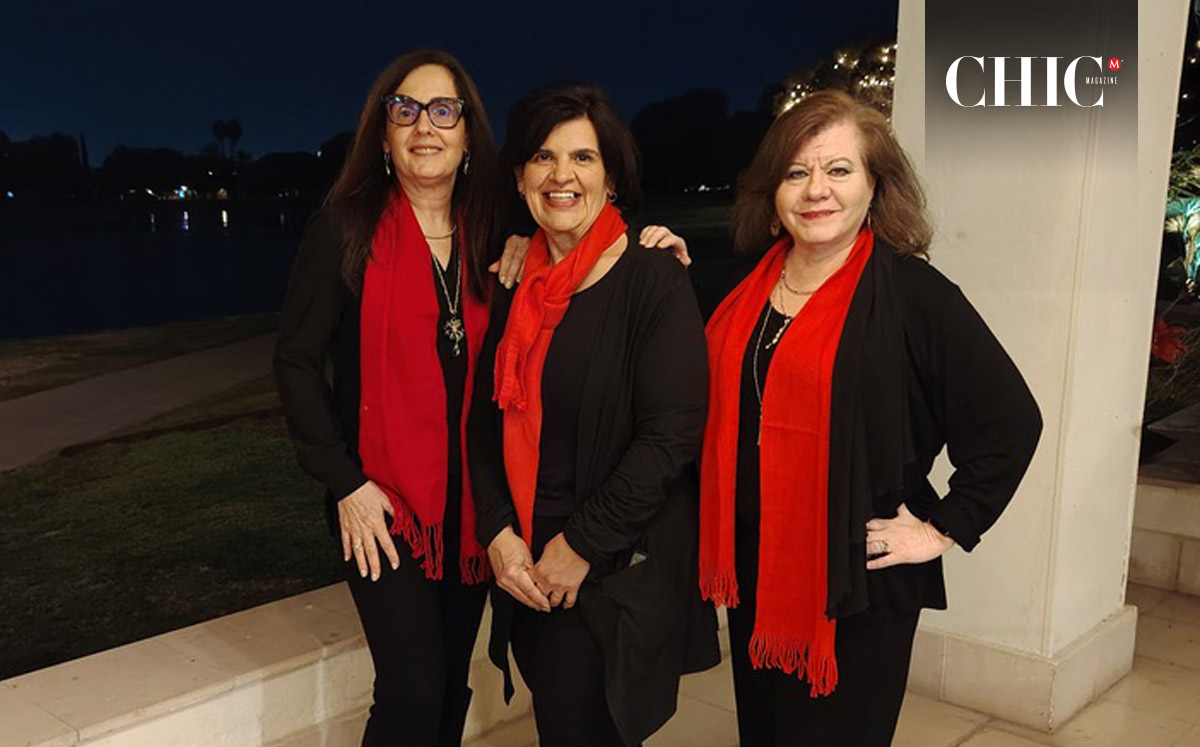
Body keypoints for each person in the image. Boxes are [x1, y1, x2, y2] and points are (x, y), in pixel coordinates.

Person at [695, 89, 1043, 746]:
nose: (815, 190)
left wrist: (941, 526)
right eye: (796, 172)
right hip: (758, 572)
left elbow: (1011, 420)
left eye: (838, 169)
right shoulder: (741, 289)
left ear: (876, 186)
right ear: (772, 191)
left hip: (858, 585)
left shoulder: (913, 294)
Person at [467, 84, 720, 747]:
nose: (561, 175)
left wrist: (579, 546)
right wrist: (497, 533)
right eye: (543, 157)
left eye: (583, 156)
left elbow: (670, 436)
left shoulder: (653, 280)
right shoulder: (517, 282)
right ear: (520, 176)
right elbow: (483, 422)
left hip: (602, 571)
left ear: (610, 176)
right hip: (524, 566)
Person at [273, 49, 500, 747]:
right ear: (382, 135)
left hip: (473, 507)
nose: (423, 125)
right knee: (410, 690)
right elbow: (297, 362)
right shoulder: (346, 229)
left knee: (450, 684)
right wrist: (344, 481)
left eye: (442, 110)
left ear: (467, 135)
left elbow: (587, 253)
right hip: (381, 503)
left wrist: (649, 247)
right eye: (404, 110)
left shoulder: (495, 233)